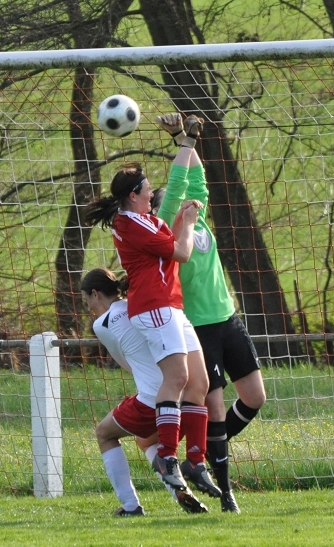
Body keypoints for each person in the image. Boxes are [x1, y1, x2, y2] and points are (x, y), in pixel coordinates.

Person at [136, 112, 266, 513]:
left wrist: (182, 135)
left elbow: (197, 180)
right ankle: (226, 492)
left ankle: (208, 445)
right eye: (179, 201)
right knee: (214, 407)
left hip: (228, 319)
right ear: (166, 211)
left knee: (255, 397)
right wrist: (184, 144)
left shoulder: (197, 221)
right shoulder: (168, 233)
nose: (190, 201)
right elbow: (179, 184)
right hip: (199, 329)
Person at [83, 158, 221, 514]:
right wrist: (188, 222)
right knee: (178, 380)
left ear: (95, 295)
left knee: (199, 383)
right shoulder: (130, 224)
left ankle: (194, 461)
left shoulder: (142, 221)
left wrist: (182, 218)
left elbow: (170, 243)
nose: (151, 194)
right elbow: (182, 251)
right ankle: (169, 459)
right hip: (157, 308)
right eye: (147, 190)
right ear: (133, 195)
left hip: (170, 307)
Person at [80, 268, 164, 517]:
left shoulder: (102, 324)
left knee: (104, 433)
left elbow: (128, 364)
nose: (89, 307)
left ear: (96, 294)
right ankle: (181, 492)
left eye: (87, 300)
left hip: (152, 398)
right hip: (184, 391)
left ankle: (130, 506)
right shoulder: (139, 307)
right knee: (147, 440)